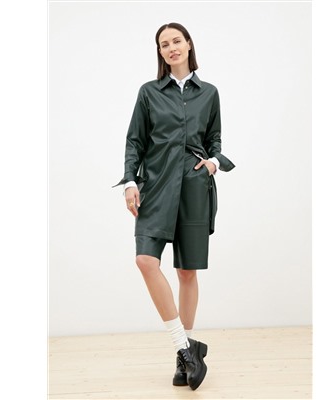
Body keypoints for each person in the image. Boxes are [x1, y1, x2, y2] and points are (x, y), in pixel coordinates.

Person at [114, 22, 235, 391]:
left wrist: (212, 163)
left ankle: (185, 360)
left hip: (194, 187)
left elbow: (215, 140)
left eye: (176, 41)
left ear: (188, 44)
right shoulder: (149, 92)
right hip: (155, 186)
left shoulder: (209, 93)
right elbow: (135, 141)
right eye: (164, 44)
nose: (171, 48)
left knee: (186, 272)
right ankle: (185, 348)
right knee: (145, 260)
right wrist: (130, 182)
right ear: (160, 52)